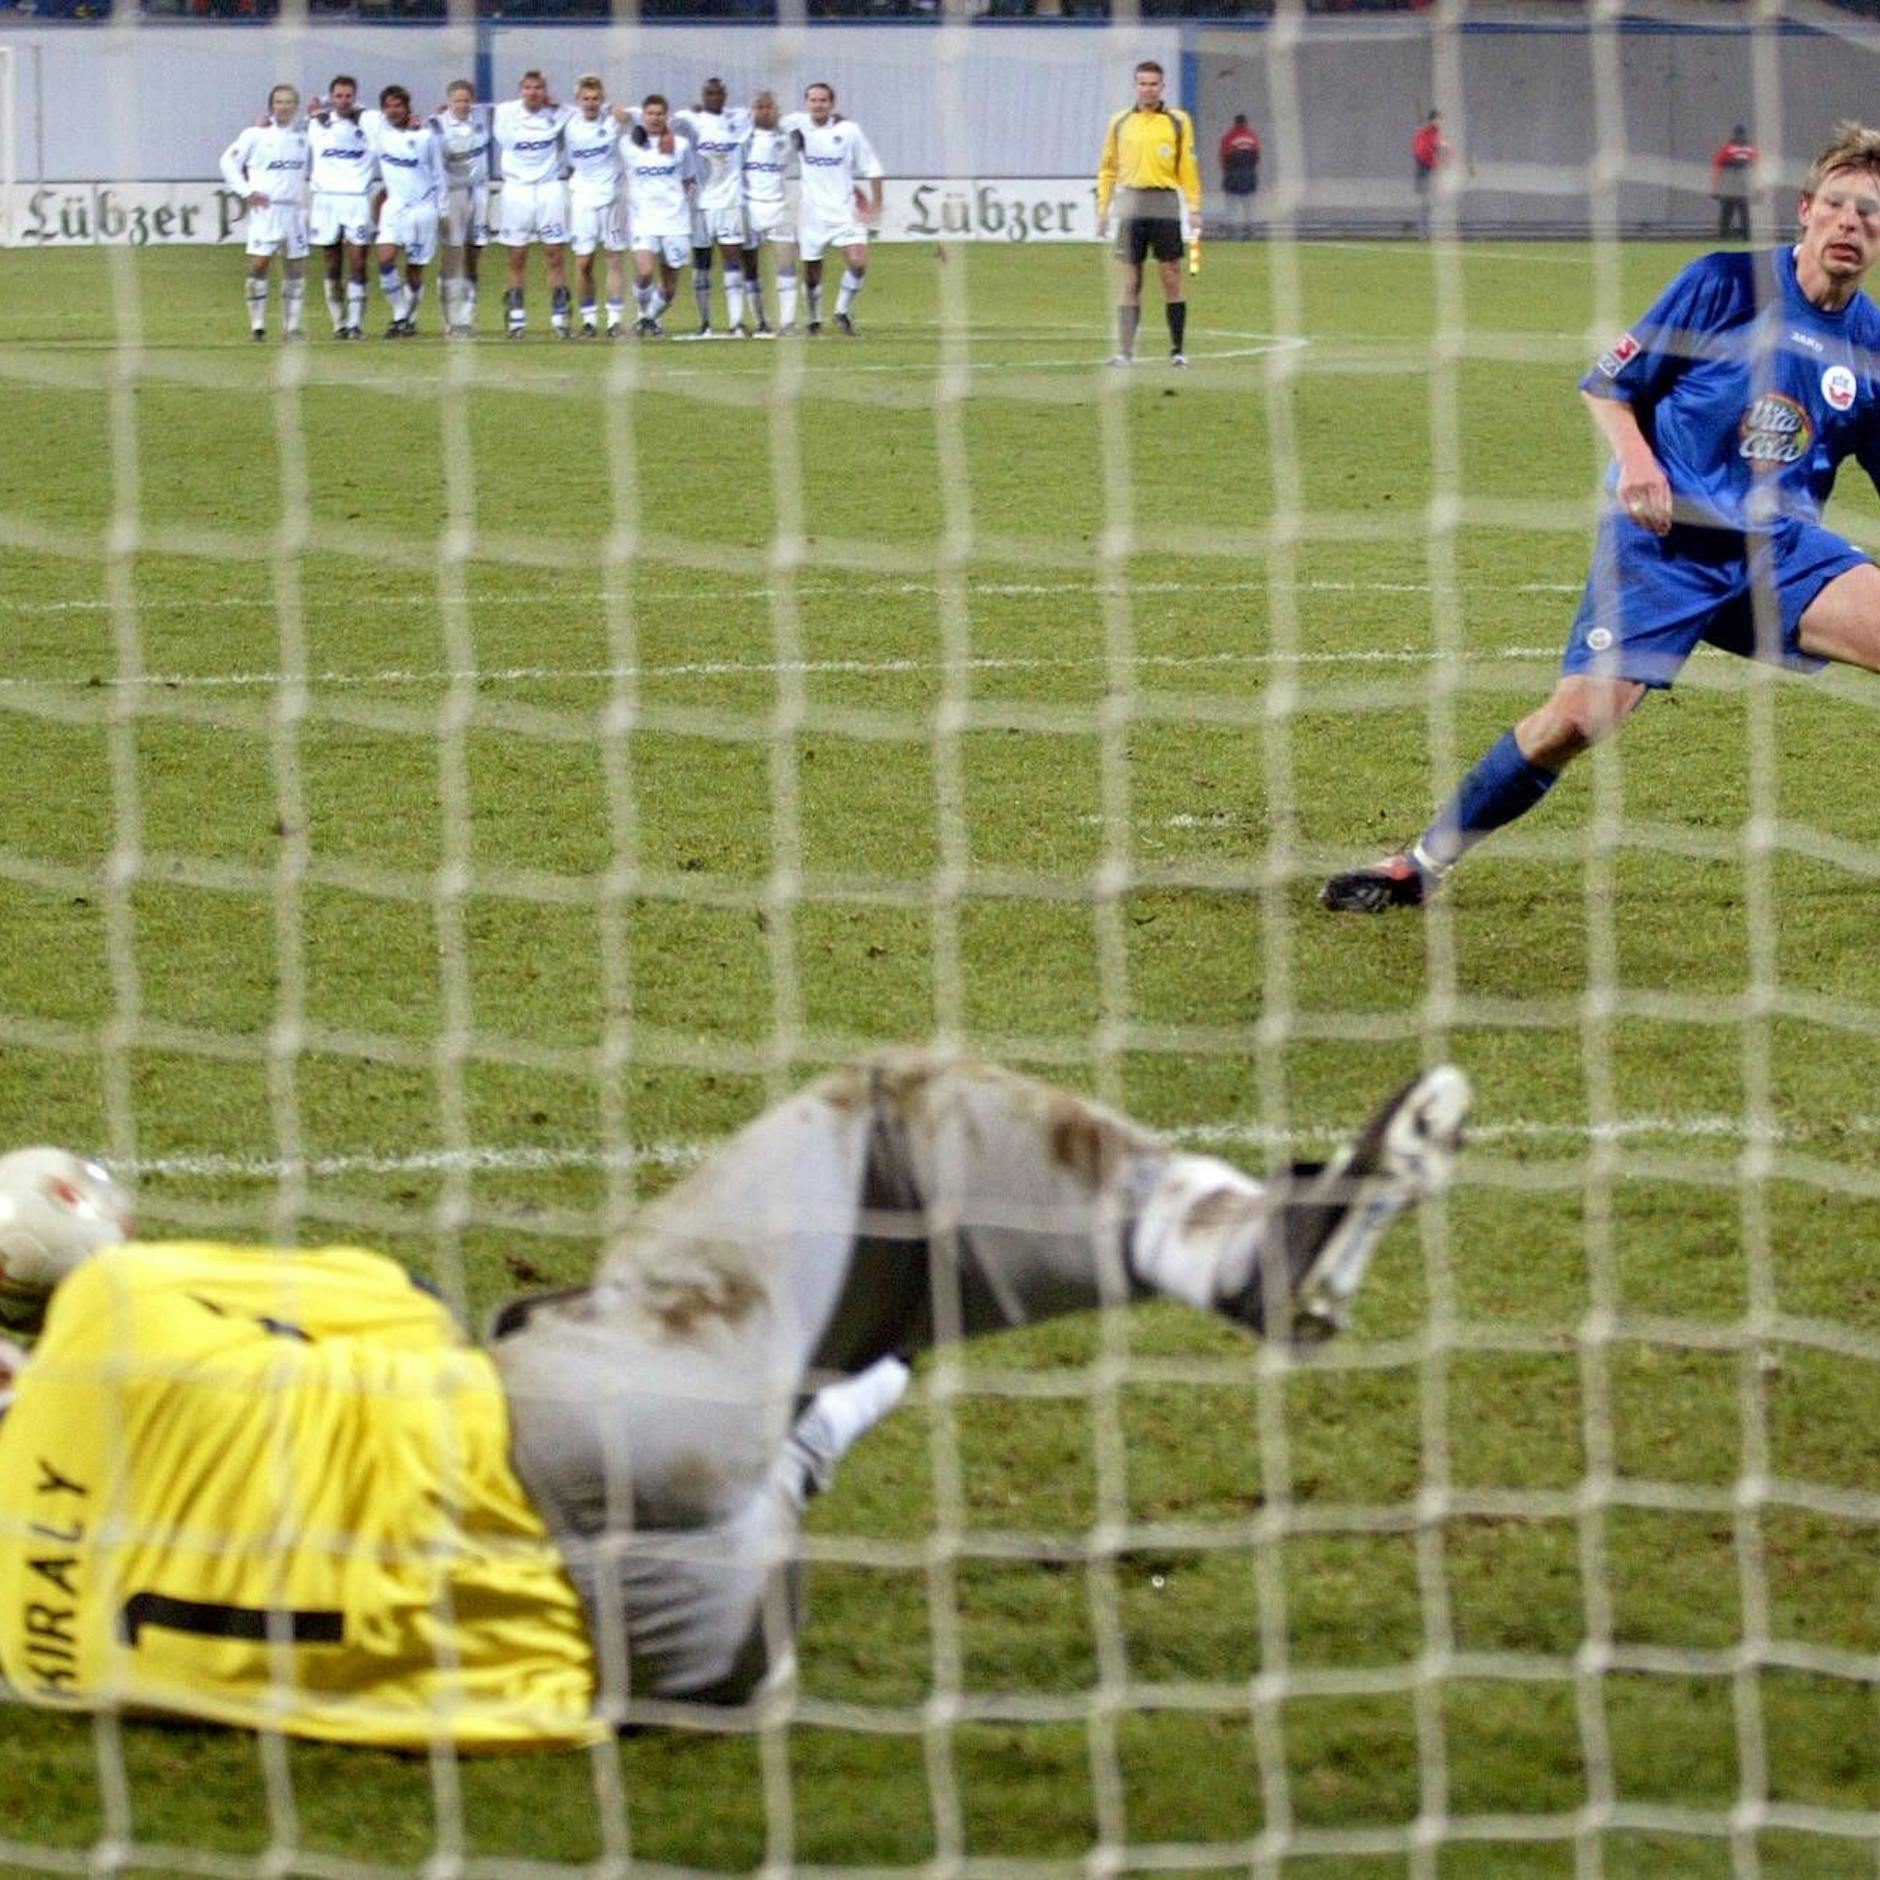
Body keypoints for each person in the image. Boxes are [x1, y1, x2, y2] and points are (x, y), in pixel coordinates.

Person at [0, 1051, 1469, 1738]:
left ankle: (818, 1415)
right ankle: (1236, 1249)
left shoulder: (29, 1647)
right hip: (579, 1443)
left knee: (776, 1383)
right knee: (885, 1136)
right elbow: (404, 1308)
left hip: (672, 1665)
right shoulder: (124, 1309)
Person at [1323, 122, 1880, 916]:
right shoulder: (1724, 284)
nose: (1852, 224)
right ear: (1805, 209)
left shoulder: (1870, 342)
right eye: (1838, 205)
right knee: (1578, 722)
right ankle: (1419, 864)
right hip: (1663, 547)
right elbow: (1608, 387)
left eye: (1870, 213)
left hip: (1777, 551)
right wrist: (1640, 464)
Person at [1096, 60, 1202, 369]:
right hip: (1131, 202)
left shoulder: (1178, 122)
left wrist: (1194, 207)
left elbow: (1187, 167)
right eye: (1142, 83)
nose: (1148, 89)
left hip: (1164, 201)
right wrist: (1103, 209)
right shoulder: (1120, 122)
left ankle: (1178, 350)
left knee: (1171, 274)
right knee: (1130, 280)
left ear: (1162, 87)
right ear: (1135, 86)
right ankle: (1125, 352)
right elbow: (1108, 168)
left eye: (1153, 84)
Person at [781, 83, 883, 338]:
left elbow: (872, 167)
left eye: (823, 100)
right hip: (812, 215)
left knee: (858, 262)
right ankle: (814, 319)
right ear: (806, 103)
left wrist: (876, 204)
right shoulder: (795, 124)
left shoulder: (848, 131)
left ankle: (842, 312)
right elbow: (768, 121)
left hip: (845, 211)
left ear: (832, 104)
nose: (818, 104)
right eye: (813, 100)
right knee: (812, 273)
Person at [218, 84, 310, 342]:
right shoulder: (255, 135)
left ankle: (291, 327)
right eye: (279, 101)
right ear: (272, 106)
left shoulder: (304, 136)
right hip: (266, 210)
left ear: (296, 106)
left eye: (289, 102)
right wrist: (247, 192)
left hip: (293, 210)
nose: (284, 106)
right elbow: (227, 162)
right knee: (260, 265)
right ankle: (257, 326)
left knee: (295, 269)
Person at [492, 69, 575, 341]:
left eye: (538, 88)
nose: (533, 92)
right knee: (517, 255)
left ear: (545, 91)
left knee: (555, 254)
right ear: (521, 90)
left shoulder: (559, 114)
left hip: (549, 188)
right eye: (528, 87)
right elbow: (471, 110)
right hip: (517, 190)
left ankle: (561, 317)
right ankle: (516, 317)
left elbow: (589, 110)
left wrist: (558, 103)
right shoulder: (505, 112)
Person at [363, 86, 446, 339]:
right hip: (394, 208)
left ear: (407, 107)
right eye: (388, 106)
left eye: (398, 105)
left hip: (422, 209)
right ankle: (400, 314)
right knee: (385, 258)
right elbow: (351, 108)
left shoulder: (425, 136)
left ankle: (408, 319)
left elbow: (439, 172)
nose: (393, 110)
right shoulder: (378, 131)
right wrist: (319, 107)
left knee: (414, 268)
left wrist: (442, 207)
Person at [674, 77, 753, 340]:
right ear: (703, 95)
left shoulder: (739, 119)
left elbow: (765, 113)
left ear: (725, 95)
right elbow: (663, 125)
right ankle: (705, 322)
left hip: (730, 202)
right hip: (701, 204)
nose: (713, 97)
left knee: (733, 261)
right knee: (702, 264)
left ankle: (736, 322)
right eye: (709, 93)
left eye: (718, 93)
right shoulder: (690, 120)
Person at [623, 96, 698, 338]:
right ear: (643, 115)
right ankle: (643, 317)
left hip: (675, 222)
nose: (655, 118)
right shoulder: (628, 144)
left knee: (669, 288)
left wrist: (680, 201)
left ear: (667, 116)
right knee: (644, 271)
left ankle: (648, 320)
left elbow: (689, 179)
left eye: (659, 114)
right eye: (650, 113)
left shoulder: (681, 145)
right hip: (643, 221)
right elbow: (616, 114)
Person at [306, 75, 375, 339]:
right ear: (331, 97)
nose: (344, 101)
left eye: (348, 96)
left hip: (356, 199)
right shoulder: (317, 123)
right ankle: (339, 324)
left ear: (355, 97)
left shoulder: (369, 123)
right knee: (332, 262)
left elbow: (391, 120)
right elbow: (284, 120)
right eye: (338, 96)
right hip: (326, 200)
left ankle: (356, 324)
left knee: (358, 261)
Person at [565, 74, 629, 339]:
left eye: (595, 99)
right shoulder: (569, 123)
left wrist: (618, 110)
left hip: (611, 197)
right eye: (586, 99)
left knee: (614, 258)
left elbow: (636, 117)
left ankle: (615, 321)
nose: (590, 103)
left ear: (602, 99)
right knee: (584, 262)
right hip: (582, 198)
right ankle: (589, 320)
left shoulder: (614, 120)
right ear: (578, 101)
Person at [432, 79, 491, 338]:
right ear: (448, 101)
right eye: (457, 100)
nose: (463, 105)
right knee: (451, 257)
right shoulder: (436, 126)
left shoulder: (483, 117)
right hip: (452, 195)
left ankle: (467, 318)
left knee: (473, 256)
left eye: (467, 100)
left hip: (478, 193)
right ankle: (450, 320)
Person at [740, 89, 796, 337]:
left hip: (778, 208)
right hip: (749, 208)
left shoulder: (787, 138)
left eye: (769, 107)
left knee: (786, 263)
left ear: (777, 111)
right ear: (753, 111)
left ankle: (787, 322)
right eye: (760, 107)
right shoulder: (743, 139)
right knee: (750, 267)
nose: (765, 112)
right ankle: (760, 320)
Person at [1712, 124, 1758, 241]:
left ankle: (1723, 238)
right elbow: (1758, 170)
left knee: (1726, 215)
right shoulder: (1750, 150)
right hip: (1744, 188)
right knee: (1745, 215)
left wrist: (1715, 187)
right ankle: (1746, 238)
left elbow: (1717, 167)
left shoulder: (1727, 148)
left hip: (1729, 188)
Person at [1219, 111, 1261, 239]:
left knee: (1231, 206)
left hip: (1232, 176)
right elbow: (1257, 157)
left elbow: (1223, 158)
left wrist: (1226, 172)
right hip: (1249, 176)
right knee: (1249, 207)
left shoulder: (1228, 137)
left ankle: (1231, 233)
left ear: (1235, 123)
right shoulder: (1252, 137)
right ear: (1246, 123)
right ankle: (1250, 233)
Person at [1411, 108, 1450, 238]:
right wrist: (1435, 148)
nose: (1440, 122)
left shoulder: (1439, 135)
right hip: (1425, 170)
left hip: (1434, 170)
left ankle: (1434, 230)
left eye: (1441, 120)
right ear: (1432, 120)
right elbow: (1420, 153)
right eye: (1438, 119)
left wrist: (1445, 159)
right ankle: (1425, 232)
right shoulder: (1423, 134)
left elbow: (1446, 152)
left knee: (1435, 201)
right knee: (1426, 202)